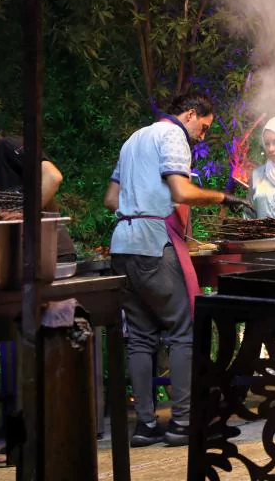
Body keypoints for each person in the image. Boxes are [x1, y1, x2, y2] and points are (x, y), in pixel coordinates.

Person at [104, 90, 252, 447]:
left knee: (139, 338)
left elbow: (111, 200)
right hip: (154, 244)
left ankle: (145, 425)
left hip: (122, 245)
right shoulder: (172, 135)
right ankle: (183, 422)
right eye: (203, 126)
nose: (202, 135)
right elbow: (181, 192)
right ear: (189, 115)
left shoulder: (133, 139)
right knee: (184, 330)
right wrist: (223, 197)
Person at [0, 104, 76, 468]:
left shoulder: (6, 146)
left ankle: (31, 441)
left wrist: (19, 215)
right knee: (17, 347)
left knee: (33, 346)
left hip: (50, 259)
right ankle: (23, 439)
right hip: (17, 267)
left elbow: (52, 176)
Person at [0, 103, 76, 260]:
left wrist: (23, 213)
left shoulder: (8, 146)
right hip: (19, 257)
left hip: (51, 252)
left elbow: (52, 176)